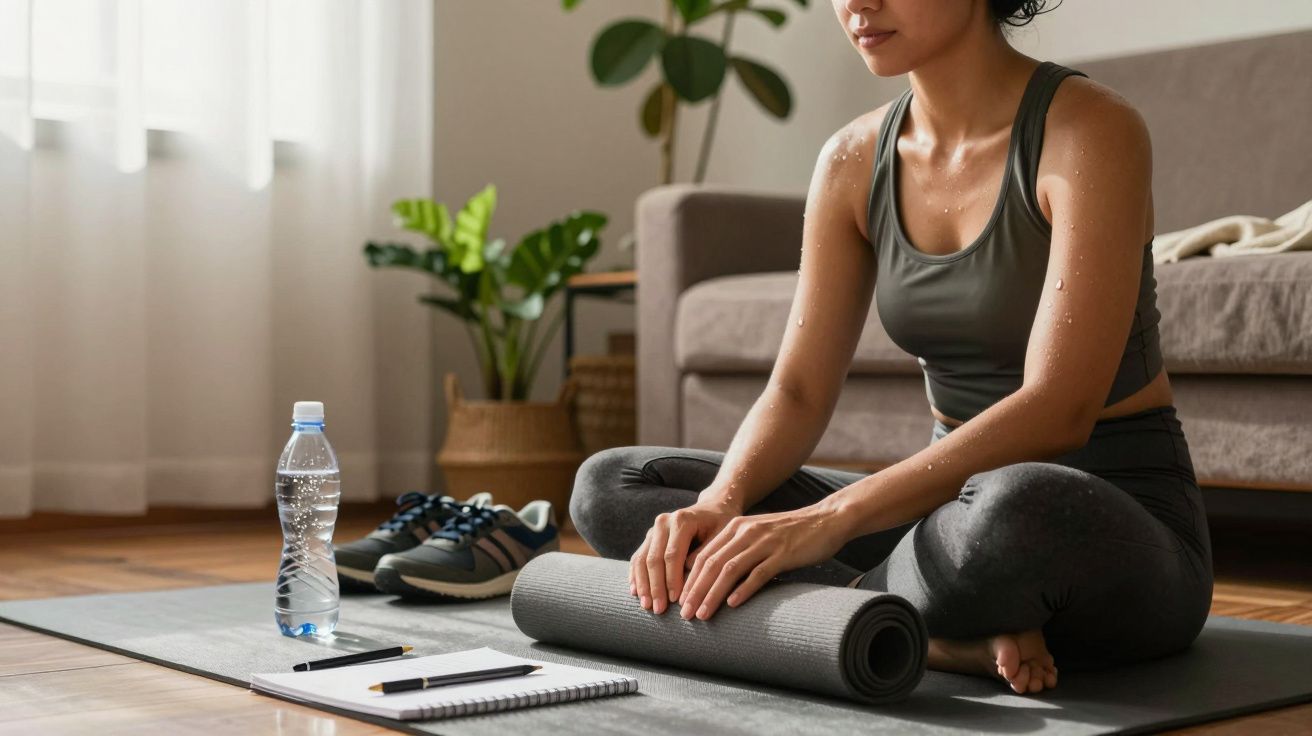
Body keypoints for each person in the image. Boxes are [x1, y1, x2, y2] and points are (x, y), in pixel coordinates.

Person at [569, 0, 1213, 696]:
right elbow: (798, 392)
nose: (856, 3)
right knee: (615, 486)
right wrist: (722, 503)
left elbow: (1060, 409)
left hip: (1091, 520)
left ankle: (854, 614)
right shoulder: (852, 159)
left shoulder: (1089, 130)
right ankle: (928, 632)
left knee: (1009, 509)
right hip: (943, 517)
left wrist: (825, 520)